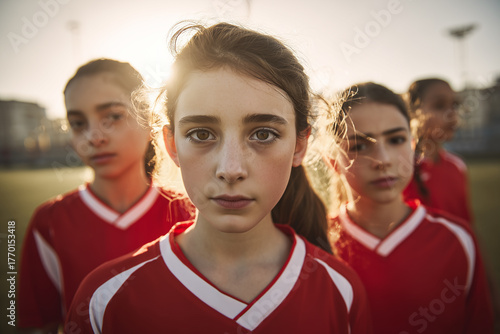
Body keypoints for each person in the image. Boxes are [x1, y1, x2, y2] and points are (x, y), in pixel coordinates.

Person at [64, 22, 372, 334]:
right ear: (171, 144)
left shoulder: (341, 290)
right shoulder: (103, 300)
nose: (231, 168)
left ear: (299, 144)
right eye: (201, 134)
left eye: (263, 134)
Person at [18, 59, 195, 333]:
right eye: (78, 123)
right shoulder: (49, 221)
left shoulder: (190, 212)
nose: (93, 136)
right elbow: (38, 324)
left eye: (112, 116)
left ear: (149, 120)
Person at [326, 82, 494, 333]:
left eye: (396, 139)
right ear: (332, 160)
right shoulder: (314, 244)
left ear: (413, 144)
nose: (383, 159)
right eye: (360, 145)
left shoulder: (458, 240)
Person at [403, 78, 473, 223]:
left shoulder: (457, 166)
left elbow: (465, 225)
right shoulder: (400, 169)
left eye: (455, 105)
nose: (452, 114)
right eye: (440, 106)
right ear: (413, 113)